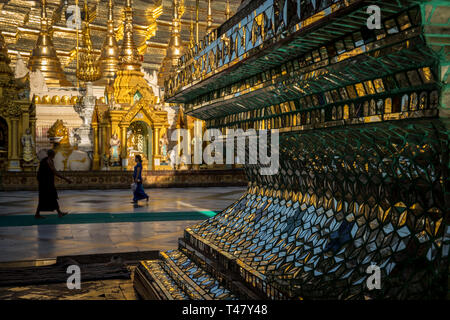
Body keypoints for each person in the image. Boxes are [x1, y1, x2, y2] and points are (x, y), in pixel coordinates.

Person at [35, 149, 72, 219]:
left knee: (50, 197)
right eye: (54, 154)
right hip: (46, 183)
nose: (55, 155)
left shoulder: (45, 160)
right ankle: (38, 214)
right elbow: (55, 172)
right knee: (47, 197)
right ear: (52, 155)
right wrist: (66, 179)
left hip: (45, 182)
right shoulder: (49, 161)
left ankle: (59, 212)